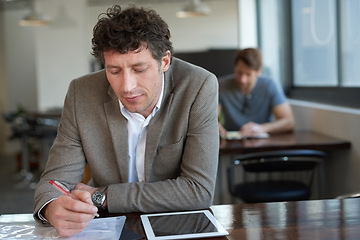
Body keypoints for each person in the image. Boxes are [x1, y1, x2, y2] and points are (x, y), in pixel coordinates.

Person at [33, 5, 219, 237]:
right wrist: (52, 209)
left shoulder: (198, 86)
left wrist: (103, 196)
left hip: (178, 225)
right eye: (114, 71)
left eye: (139, 69)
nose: (127, 87)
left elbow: (198, 190)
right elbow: (53, 183)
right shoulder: (81, 93)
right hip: (106, 227)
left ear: (165, 62)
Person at [218, 48, 295, 137]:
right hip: (232, 144)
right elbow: (211, 116)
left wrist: (262, 128)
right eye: (239, 72)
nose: (243, 79)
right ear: (235, 68)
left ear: (259, 72)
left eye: (248, 74)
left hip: (262, 144)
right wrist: (214, 126)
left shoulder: (270, 86)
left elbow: (289, 122)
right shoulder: (221, 85)